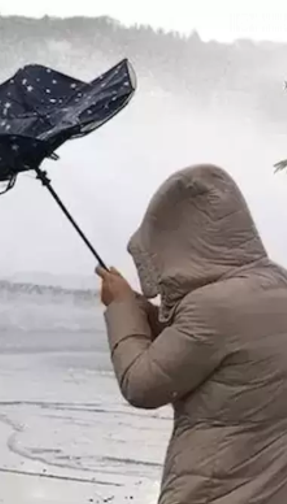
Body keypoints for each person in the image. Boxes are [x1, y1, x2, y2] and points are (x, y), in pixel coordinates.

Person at [96, 164, 287, 504]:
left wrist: (122, 308)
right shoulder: (274, 284)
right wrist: (146, 314)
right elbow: (215, 351)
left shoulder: (214, 306)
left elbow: (143, 386)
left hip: (216, 490)